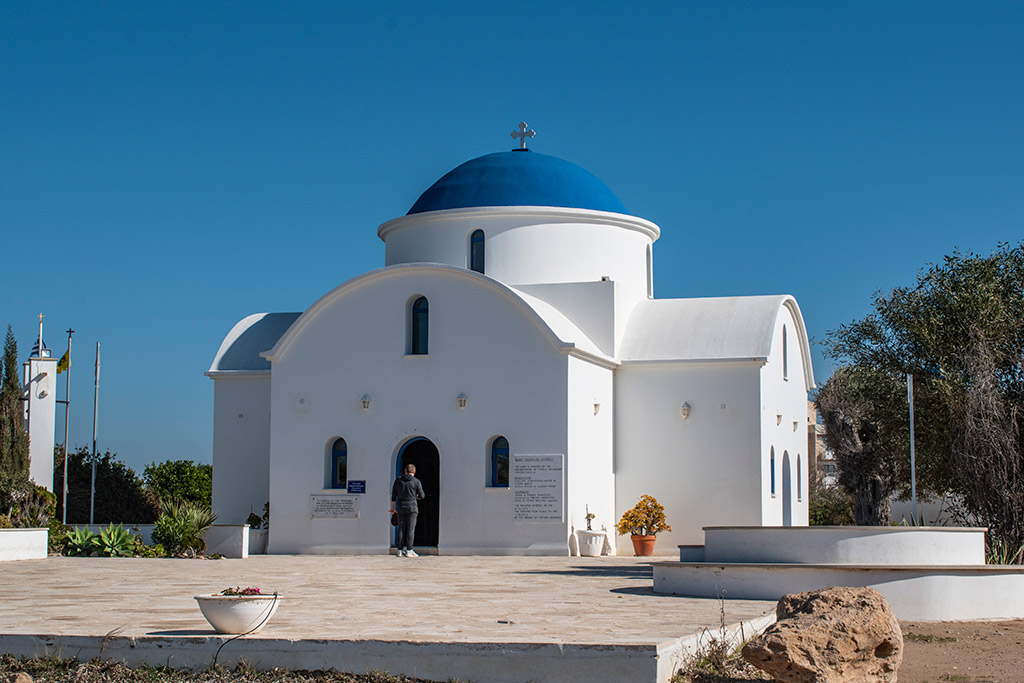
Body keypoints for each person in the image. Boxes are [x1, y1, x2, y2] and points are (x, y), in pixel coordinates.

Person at [390, 463, 425, 557]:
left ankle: (400, 550)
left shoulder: (398, 481)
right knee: (410, 529)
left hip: (401, 506)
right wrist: (416, 496)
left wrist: (393, 508)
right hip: (412, 507)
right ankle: (409, 550)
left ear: (405, 471)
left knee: (401, 529)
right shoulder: (416, 481)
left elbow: (393, 495)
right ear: (414, 472)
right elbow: (422, 496)